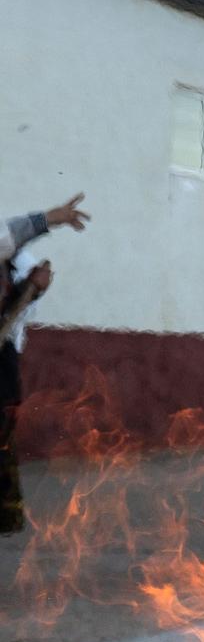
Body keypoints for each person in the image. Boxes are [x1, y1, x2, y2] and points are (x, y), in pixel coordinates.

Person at [0, 194, 89, 533]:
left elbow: (13, 310)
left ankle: (6, 516)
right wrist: (49, 218)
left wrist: (31, 289)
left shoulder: (14, 260)